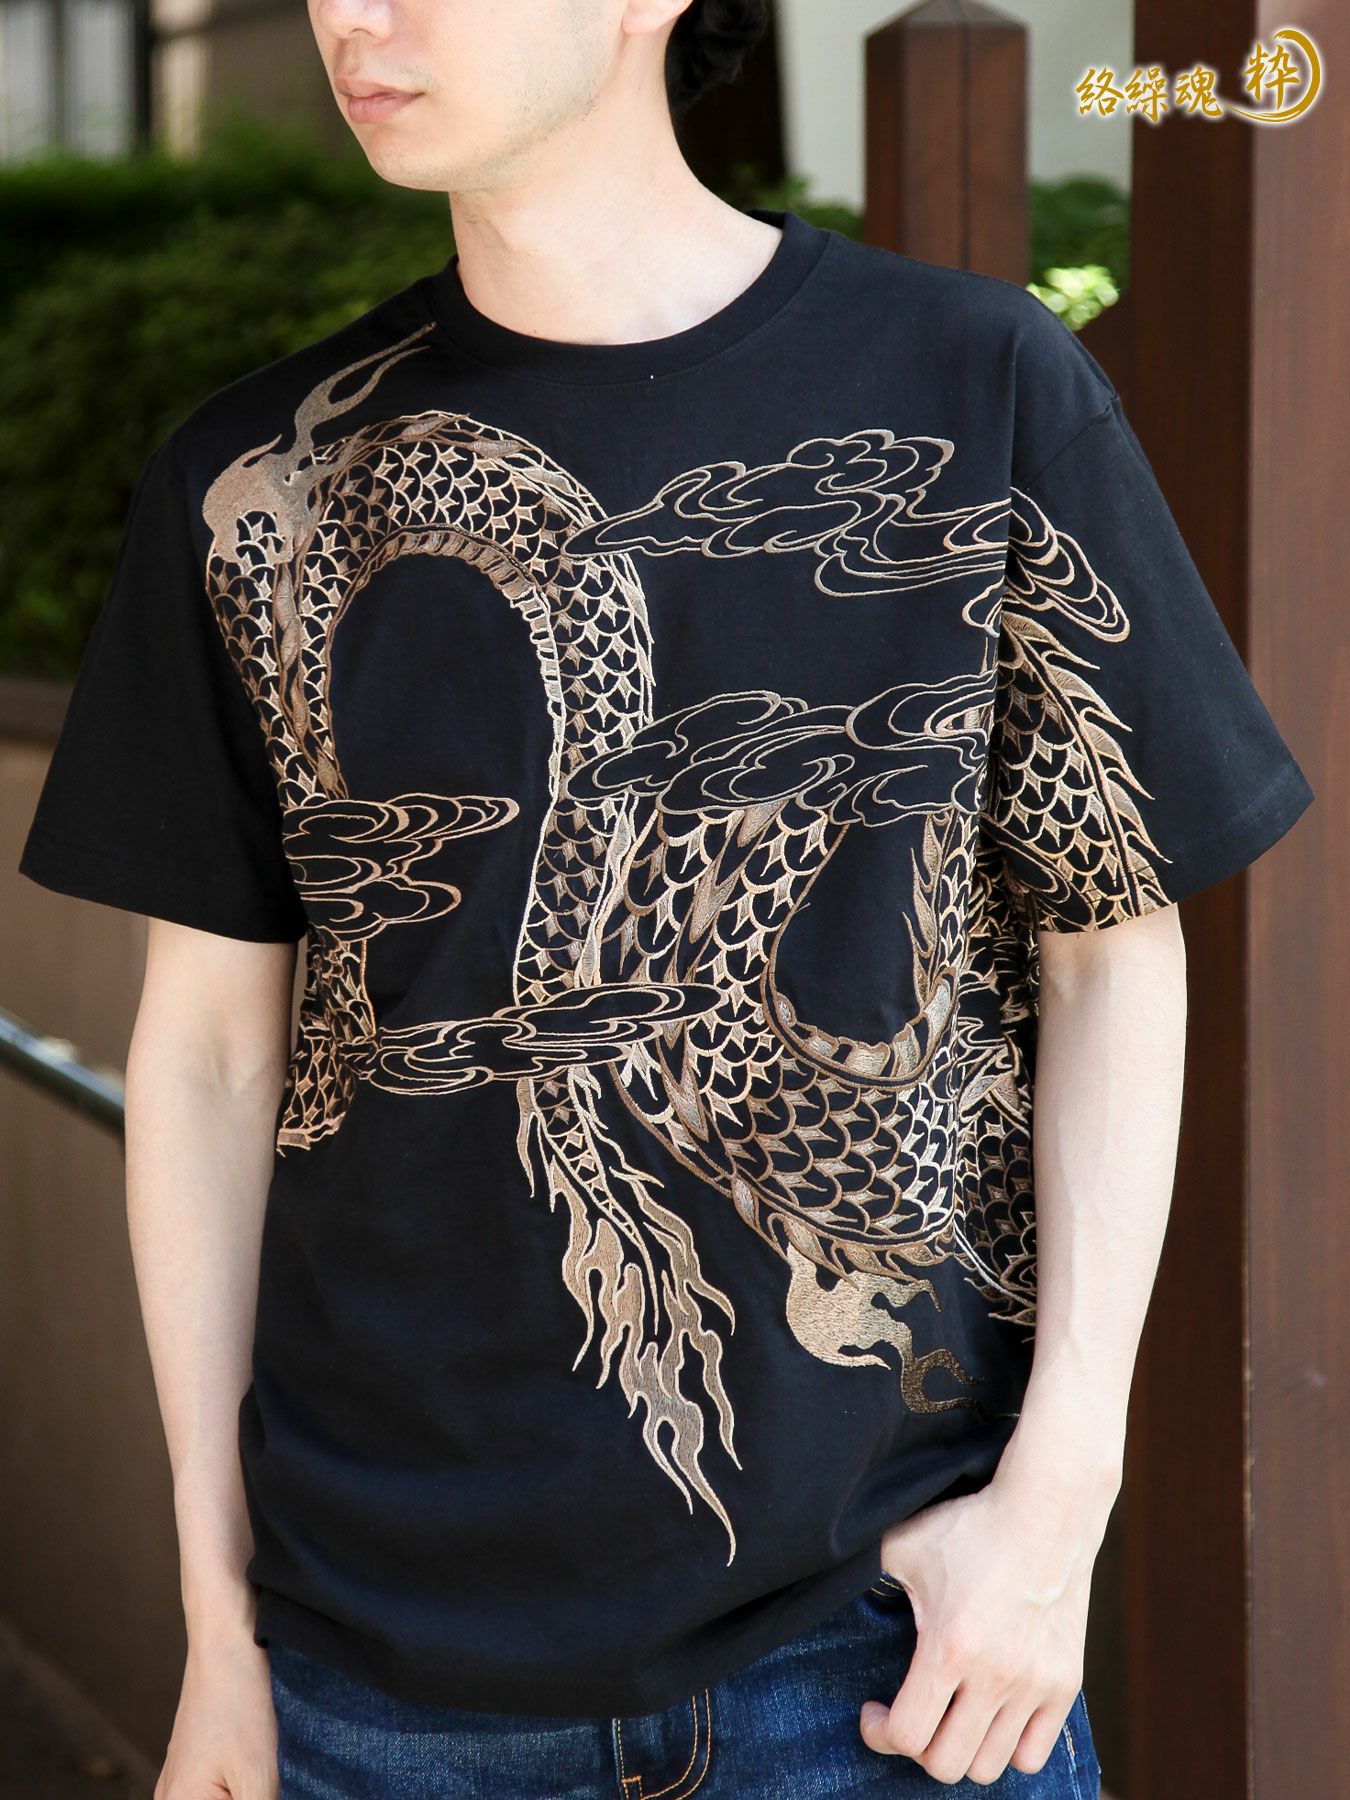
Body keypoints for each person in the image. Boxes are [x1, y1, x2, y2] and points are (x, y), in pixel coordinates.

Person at [17, 0, 1316, 1794]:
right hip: (377, 1695)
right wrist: (215, 1627)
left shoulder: (972, 382)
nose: (350, 18)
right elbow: (212, 1064)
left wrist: (1054, 1509)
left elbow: (1114, 949)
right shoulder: (255, 485)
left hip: (878, 1671)